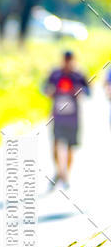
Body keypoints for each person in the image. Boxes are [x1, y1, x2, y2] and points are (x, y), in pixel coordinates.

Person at [45, 51, 90, 189]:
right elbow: (44, 88)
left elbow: (89, 91)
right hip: (57, 116)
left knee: (70, 146)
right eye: (65, 60)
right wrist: (50, 91)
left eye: (70, 60)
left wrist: (79, 90)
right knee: (55, 144)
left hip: (72, 117)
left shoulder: (79, 75)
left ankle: (65, 174)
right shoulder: (55, 74)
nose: (67, 63)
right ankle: (59, 171)